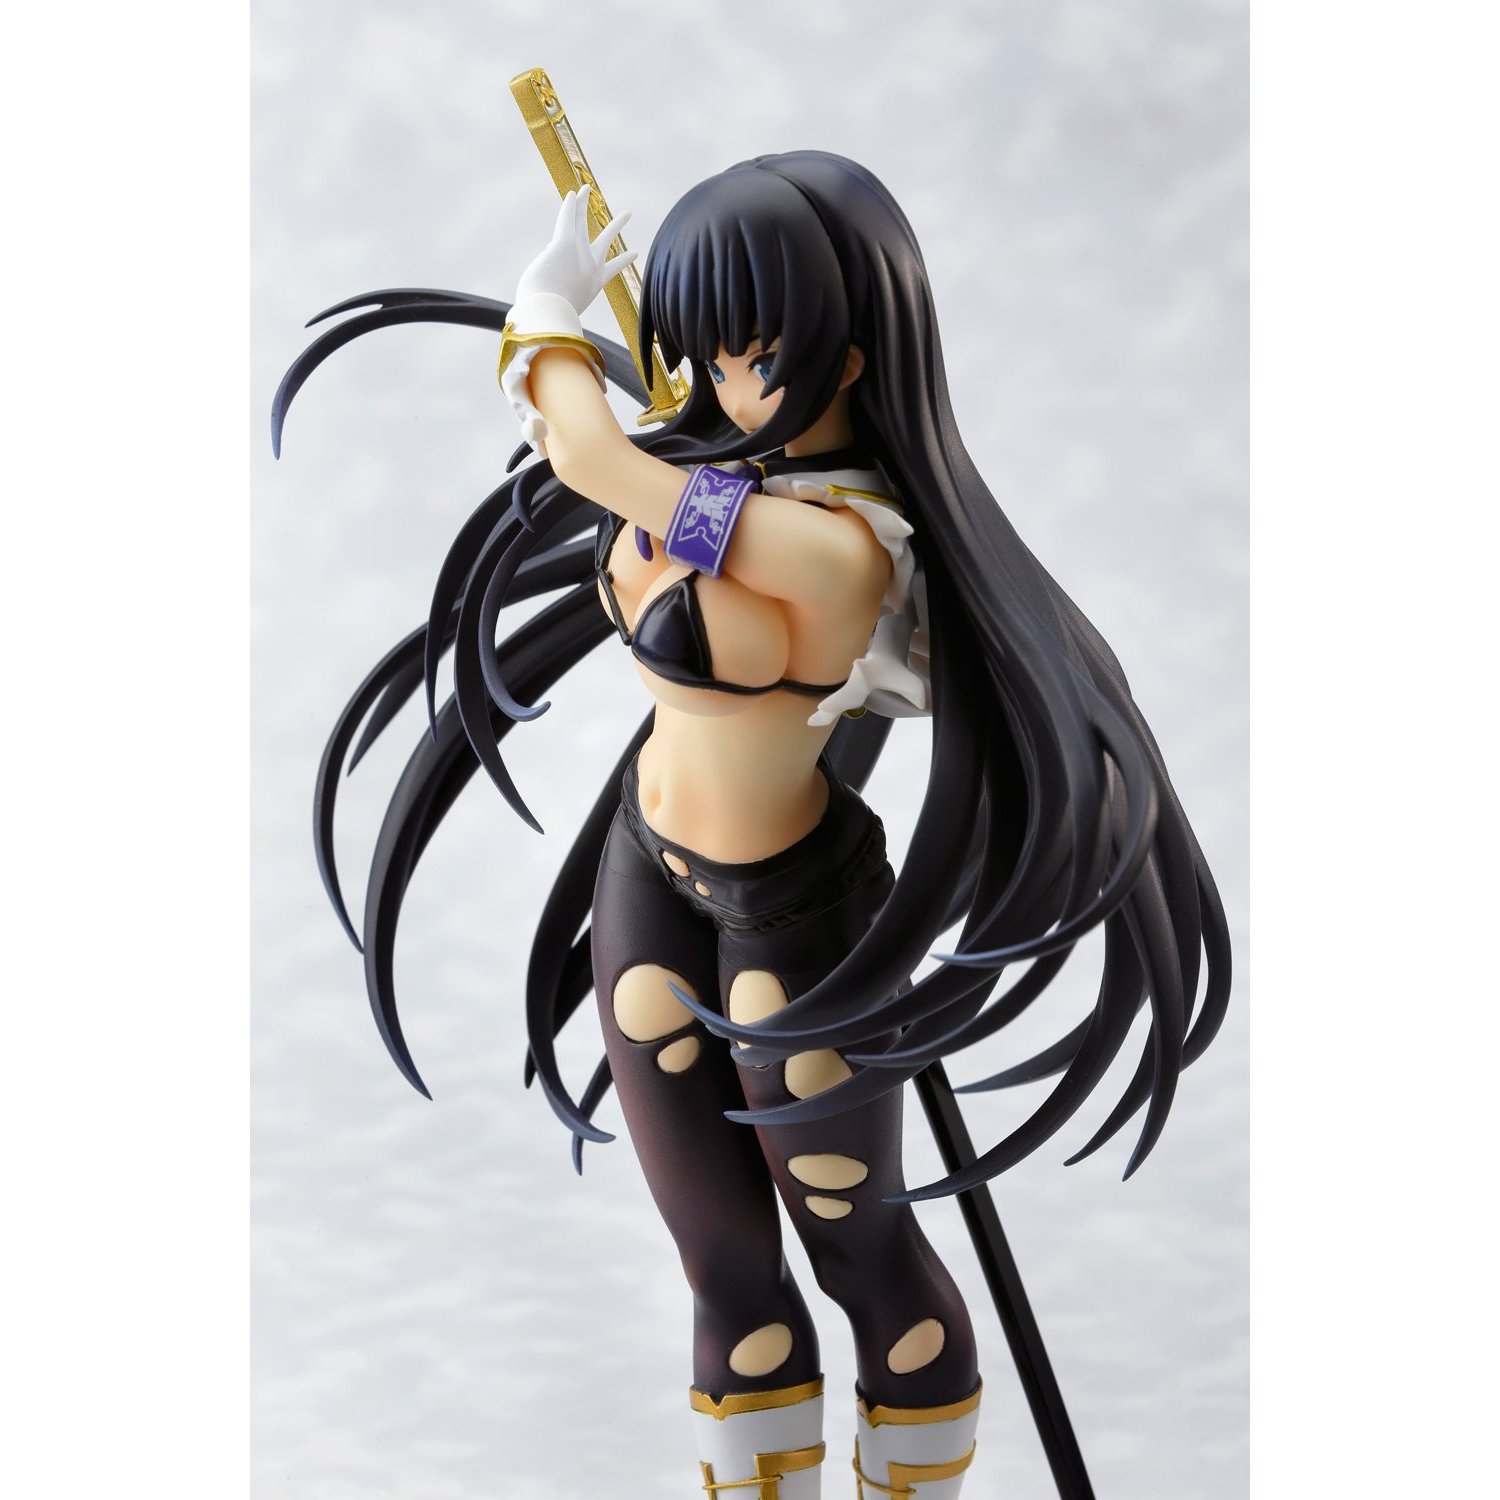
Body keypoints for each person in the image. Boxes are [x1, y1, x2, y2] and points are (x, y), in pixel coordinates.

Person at [274, 149, 1230, 1500]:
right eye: (704, 352)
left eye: (753, 354)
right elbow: (609, 471)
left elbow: (587, 451)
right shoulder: (721, 478)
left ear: (849, 356)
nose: (719, 386)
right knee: (722, 1264)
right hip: (646, 873)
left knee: (860, 1253)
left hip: (798, 914)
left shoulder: (840, 548)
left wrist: (544, 310)